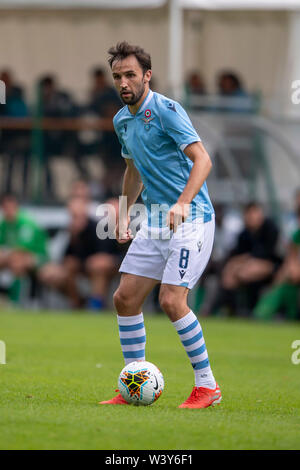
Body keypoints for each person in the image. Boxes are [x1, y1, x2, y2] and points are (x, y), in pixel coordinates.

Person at [99, 41, 221, 409]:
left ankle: (207, 386)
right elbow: (133, 169)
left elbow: (203, 160)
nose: (123, 82)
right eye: (118, 76)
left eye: (130, 75)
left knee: (171, 300)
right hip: (154, 221)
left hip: (193, 219)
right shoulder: (122, 120)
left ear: (147, 76)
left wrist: (183, 204)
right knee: (125, 298)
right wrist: (123, 212)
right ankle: (134, 382)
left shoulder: (167, 110)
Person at [39, 196, 122, 310]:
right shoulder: (72, 232)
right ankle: (78, 302)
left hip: (107, 268)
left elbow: (104, 255)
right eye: (73, 216)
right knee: (59, 270)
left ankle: (95, 306)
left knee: (97, 267)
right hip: (85, 266)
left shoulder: (98, 228)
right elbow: (68, 258)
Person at [213, 202, 280, 316]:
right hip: (246, 265)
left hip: (271, 266)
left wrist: (243, 261)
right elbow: (237, 253)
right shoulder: (244, 233)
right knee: (229, 273)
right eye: (249, 214)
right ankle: (230, 309)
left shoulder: (270, 228)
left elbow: (267, 254)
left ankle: (249, 308)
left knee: (245, 271)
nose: (251, 217)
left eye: (254, 213)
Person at [0, 192, 49, 303]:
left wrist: (6, 254)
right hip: (13, 256)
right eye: (5, 207)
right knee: (14, 259)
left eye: (10, 207)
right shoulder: (3, 224)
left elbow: (23, 249)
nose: (8, 210)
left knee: (18, 262)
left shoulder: (25, 222)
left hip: (40, 257)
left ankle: (17, 302)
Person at [253, 208, 300, 321]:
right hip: (292, 281)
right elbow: (291, 262)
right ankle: (262, 313)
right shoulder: (296, 235)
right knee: (280, 287)